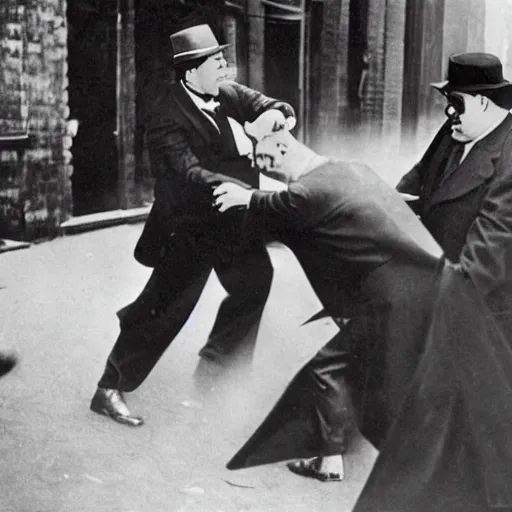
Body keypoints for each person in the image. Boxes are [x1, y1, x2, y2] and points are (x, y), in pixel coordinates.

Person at [212, 109, 444, 481]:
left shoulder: (306, 192)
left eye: (265, 161)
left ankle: (335, 462)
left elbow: (279, 204)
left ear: (284, 148)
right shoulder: (346, 168)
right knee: (371, 371)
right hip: (413, 287)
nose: (261, 166)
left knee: (329, 369)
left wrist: (245, 196)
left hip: (392, 298)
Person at [90, 24, 296, 427]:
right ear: (190, 72)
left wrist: (273, 116)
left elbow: (273, 104)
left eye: (223, 59)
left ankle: (216, 373)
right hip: (188, 226)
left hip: (233, 221)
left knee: (255, 281)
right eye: (215, 61)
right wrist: (250, 190)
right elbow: (189, 174)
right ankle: (108, 388)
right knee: (163, 310)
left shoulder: (227, 92)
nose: (225, 66)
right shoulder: (165, 117)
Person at [352, 53, 512, 512]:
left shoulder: (509, 158)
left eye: (456, 103)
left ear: (483, 103)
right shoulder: (457, 129)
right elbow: (420, 180)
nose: (448, 113)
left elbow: (488, 252)